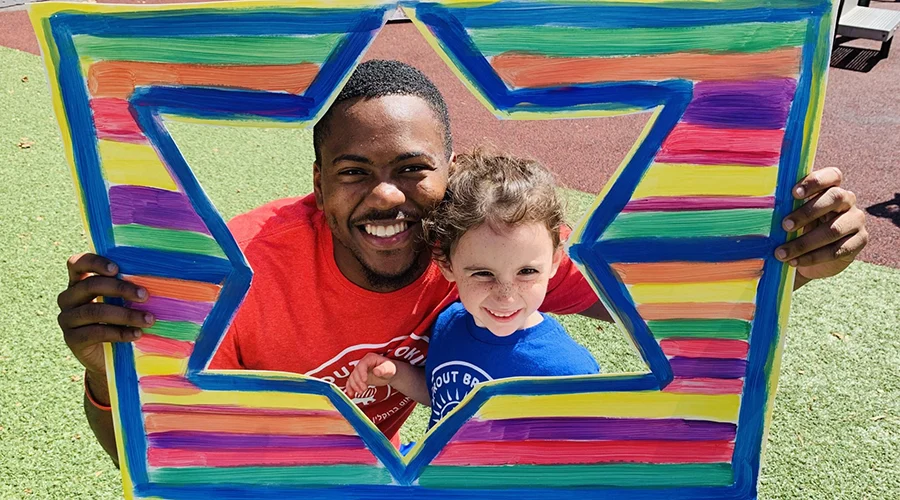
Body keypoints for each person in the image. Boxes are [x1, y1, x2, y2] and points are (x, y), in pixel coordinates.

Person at [56, 60, 869, 465]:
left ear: (449, 173)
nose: (386, 198)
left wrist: (793, 257)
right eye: (353, 173)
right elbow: (151, 450)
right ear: (317, 185)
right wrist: (106, 374)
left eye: (412, 169)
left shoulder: (477, 251)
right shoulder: (234, 268)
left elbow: (663, 301)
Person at [347, 151, 600, 428]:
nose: (506, 295)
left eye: (526, 272)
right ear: (447, 263)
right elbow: (445, 396)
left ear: (554, 262)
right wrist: (396, 375)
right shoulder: (448, 324)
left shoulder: (569, 372)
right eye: (483, 273)